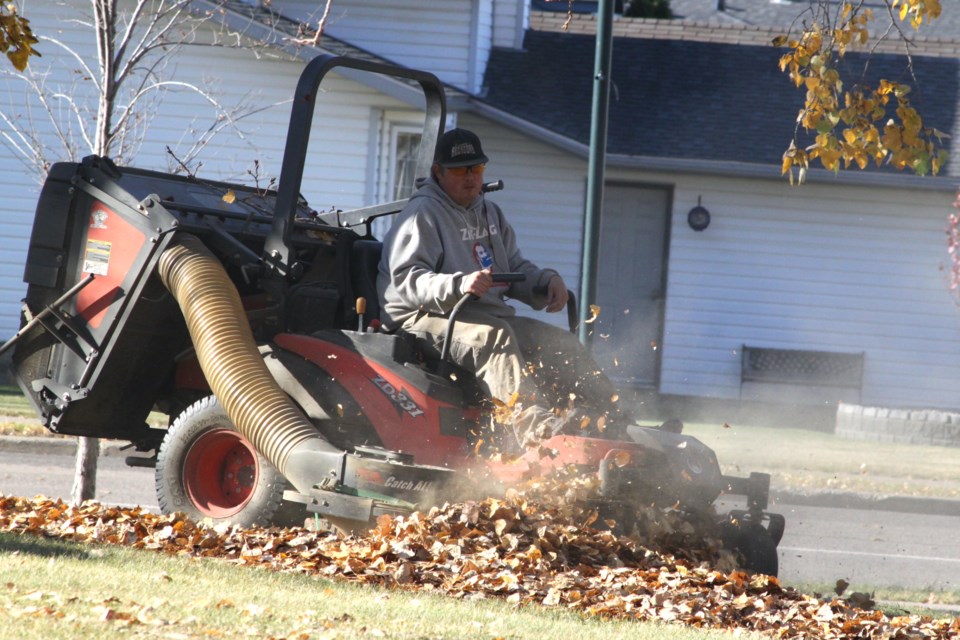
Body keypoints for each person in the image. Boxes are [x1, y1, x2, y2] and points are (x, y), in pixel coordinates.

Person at [377, 128, 630, 447]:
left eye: (476, 168)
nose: (469, 178)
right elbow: (407, 281)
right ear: (437, 172)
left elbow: (512, 267)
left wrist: (545, 280)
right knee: (493, 339)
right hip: (421, 318)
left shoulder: (489, 213)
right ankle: (540, 436)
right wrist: (460, 284)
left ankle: (616, 423)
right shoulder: (421, 215)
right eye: (458, 170)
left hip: (481, 314)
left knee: (558, 341)